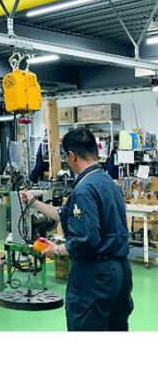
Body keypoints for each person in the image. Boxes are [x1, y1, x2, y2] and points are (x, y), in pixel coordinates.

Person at [20, 127, 133, 331]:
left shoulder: (84, 189)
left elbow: (86, 240)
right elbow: (65, 213)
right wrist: (33, 202)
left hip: (95, 276)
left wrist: (57, 249)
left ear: (71, 156)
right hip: (120, 272)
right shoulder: (108, 183)